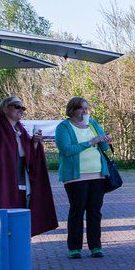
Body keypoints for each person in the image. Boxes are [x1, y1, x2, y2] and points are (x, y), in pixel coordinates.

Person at [0, 95, 57, 236]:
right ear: (5, 109)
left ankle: (19, 251)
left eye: (23, 108)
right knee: (5, 222)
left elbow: (29, 158)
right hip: (3, 185)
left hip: (22, 184)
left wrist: (34, 143)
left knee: (20, 222)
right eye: (17, 106)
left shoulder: (21, 131)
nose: (21, 110)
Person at [54, 96, 112, 258]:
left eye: (86, 108)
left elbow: (105, 147)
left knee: (95, 211)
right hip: (75, 177)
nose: (85, 111)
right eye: (81, 108)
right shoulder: (63, 127)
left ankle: (96, 246)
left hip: (98, 175)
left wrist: (105, 139)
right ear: (72, 110)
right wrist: (90, 142)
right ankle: (74, 248)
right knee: (77, 210)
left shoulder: (93, 123)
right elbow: (66, 150)